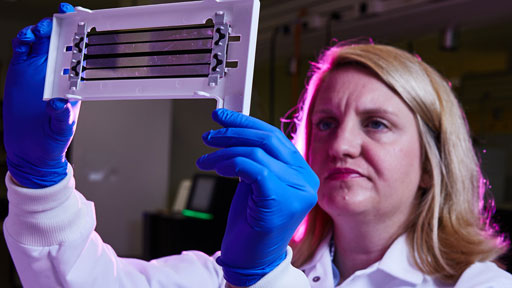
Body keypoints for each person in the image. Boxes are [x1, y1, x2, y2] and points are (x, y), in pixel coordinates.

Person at [2, 3, 511, 288]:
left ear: (432, 164)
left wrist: (262, 277)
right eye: (325, 123)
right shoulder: (222, 271)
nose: (341, 145)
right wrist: (39, 177)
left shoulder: (481, 286)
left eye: (376, 124)